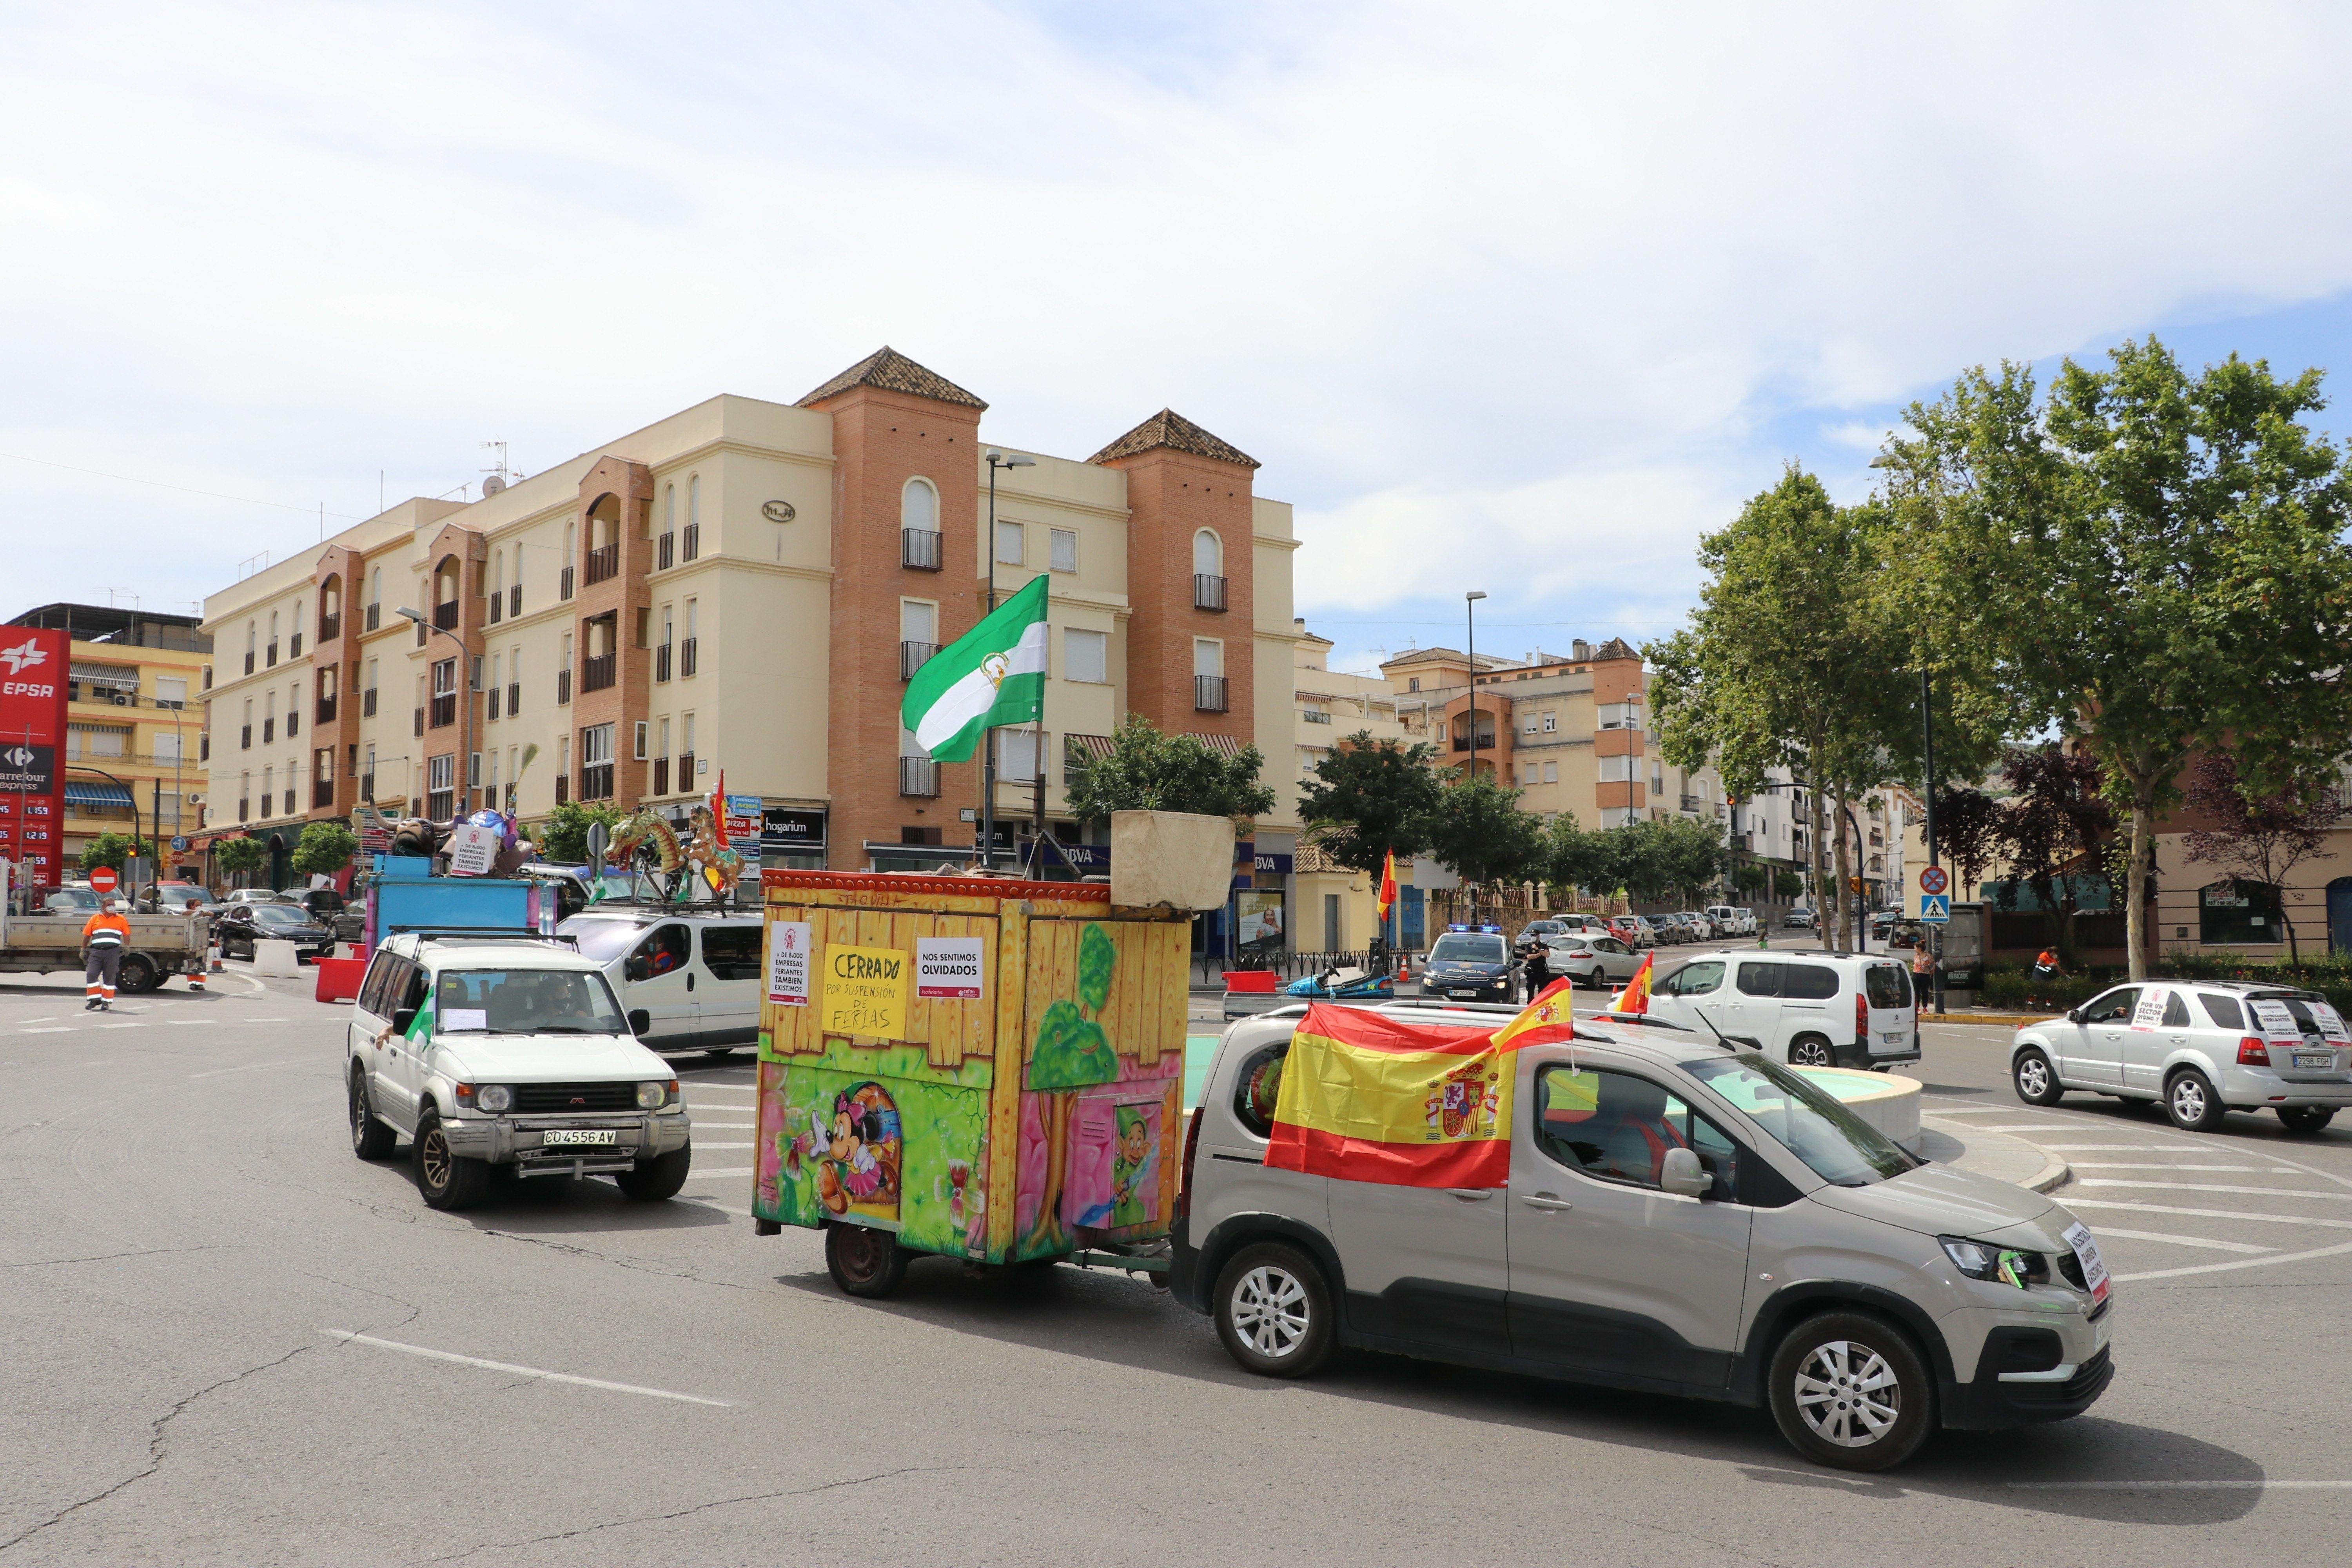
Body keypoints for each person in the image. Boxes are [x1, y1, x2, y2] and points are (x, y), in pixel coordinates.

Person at [81, 897, 131, 1011]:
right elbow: (87, 935)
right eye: (109, 905)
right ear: (103, 907)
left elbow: (127, 934)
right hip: (96, 952)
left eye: (113, 905)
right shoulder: (95, 918)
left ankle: (106, 1002)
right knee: (91, 974)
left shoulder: (120, 919)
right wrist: (83, 949)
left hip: (112, 952)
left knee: (110, 977)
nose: (112, 907)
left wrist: (127, 946)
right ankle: (95, 999)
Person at [1911, 941, 1936, 1009]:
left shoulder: (1928, 956)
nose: (1915, 949)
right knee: (1916, 992)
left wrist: (1929, 975)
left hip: (1925, 975)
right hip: (1916, 975)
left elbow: (1932, 967)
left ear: (1919, 949)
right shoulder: (1916, 956)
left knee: (1925, 992)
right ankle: (1917, 1008)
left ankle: (1925, 1008)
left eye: (1915, 948)